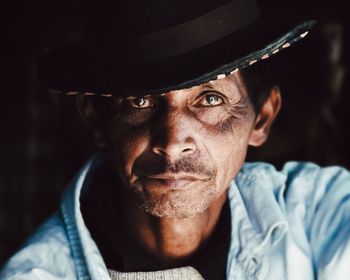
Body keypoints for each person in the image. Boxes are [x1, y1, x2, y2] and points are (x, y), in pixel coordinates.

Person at [1, 0, 349, 279]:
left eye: (210, 98)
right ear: (96, 119)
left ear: (262, 118)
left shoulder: (314, 212)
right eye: (140, 100)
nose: (171, 142)